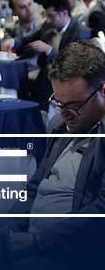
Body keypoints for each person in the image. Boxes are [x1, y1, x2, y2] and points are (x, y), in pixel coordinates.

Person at [9, 42, 105, 265]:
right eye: (59, 103)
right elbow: (35, 187)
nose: (65, 114)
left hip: (70, 253)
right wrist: (9, 228)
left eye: (74, 105)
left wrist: (37, 242)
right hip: (34, 243)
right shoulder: (61, 125)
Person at [19, 0, 91, 105]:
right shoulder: (48, 25)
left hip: (67, 80)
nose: (47, 20)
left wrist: (49, 50)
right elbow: (28, 39)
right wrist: (14, 42)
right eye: (45, 15)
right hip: (46, 75)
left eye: (51, 16)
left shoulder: (81, 32)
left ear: (64, 13)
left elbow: (75, 62)